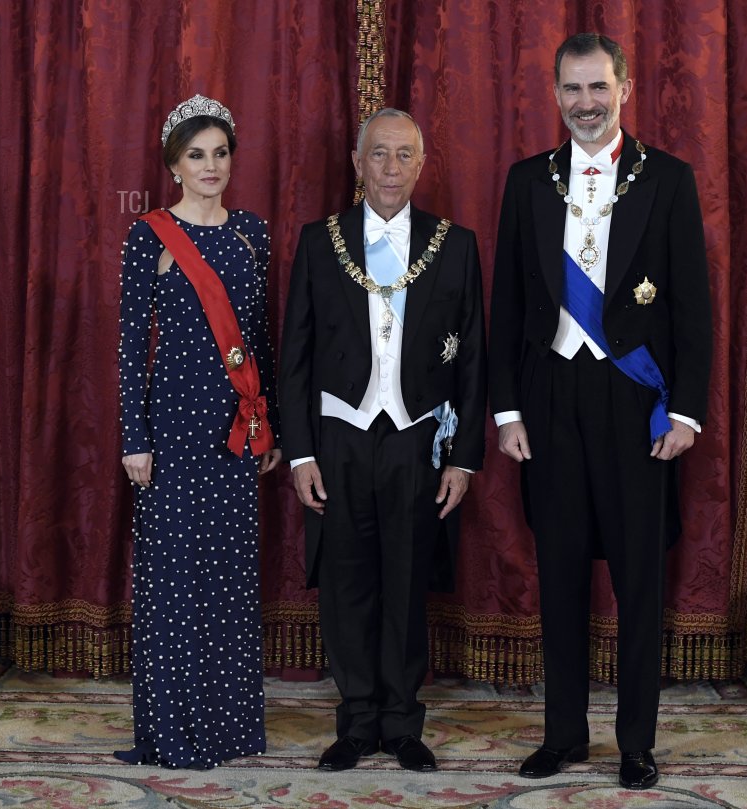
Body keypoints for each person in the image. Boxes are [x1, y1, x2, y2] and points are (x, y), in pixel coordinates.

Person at [488, 34, 713, 790]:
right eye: (573, 90)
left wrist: (685, 411)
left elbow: (693, 311)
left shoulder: (669, 181)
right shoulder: (528, 182)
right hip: (550, 398)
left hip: (633, 399)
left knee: (639, 579)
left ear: (625, 89)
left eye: (599, 87)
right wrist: (507, 410)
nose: (586, 103)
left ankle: (636, 743)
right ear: (554, 95)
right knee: (559, 574)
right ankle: (563, 735)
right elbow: (510, 305)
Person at [278, 108, 486, 773]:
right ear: (356, 160)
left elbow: (476, 359)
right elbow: (295, 357)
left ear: (422, 165)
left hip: (417, 438)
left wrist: (465, 458)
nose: (391, 169)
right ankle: (357, 720)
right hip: (339, 435)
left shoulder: (455, 244)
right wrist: (302, 452)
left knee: (406, 580)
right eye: (379, 155)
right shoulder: (320, 240)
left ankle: (402, 723)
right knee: (347, 585)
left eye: (404, 156)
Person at [116, 93, 282, 769]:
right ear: (174, 165)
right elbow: (130, 344)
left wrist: (270, 425)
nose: (210, 167)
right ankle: (173, 730)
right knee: (175, 582)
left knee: (228, 581)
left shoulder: (253, 232)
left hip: (236, 429)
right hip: (174, 430)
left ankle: (229, 729)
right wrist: (135, 436)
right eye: (196, 156)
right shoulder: (149, 236)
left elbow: (261, 340)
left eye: (220, 154)